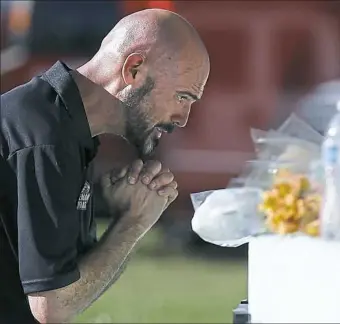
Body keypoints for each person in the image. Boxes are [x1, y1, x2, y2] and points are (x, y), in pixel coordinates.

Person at [0, 8, 210, 323]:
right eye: (182, 97)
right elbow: (53, 307)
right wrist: (134, 222)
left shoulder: (62, 125)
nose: (183, 119)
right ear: (134, 69)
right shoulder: (45, 137)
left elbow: (74, 285)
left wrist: (114, 209)